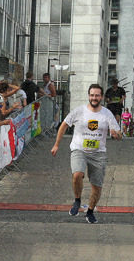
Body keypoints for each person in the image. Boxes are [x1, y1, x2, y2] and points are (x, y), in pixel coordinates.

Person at [51, 83, 122, 224]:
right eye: (91, 95)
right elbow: (64, 125)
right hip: (79, 149)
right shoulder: (79, 111)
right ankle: (77, 200)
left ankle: (90, 211)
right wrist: (56, 144)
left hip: (98, 153)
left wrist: (116, 134)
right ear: (88, 96)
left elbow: (119, 134)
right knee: (77, 174)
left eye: (97, 95)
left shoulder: (107, 114)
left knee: (97, 186)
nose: (94, 98)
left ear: (101, 97)